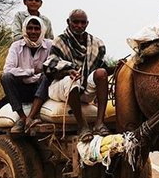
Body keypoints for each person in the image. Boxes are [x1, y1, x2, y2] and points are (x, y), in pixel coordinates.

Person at [0, 16, 53, 137]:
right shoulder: (16, 46)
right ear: (24, 30)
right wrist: (31, 72)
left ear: (42, 30)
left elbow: (51, 69)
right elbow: (8, 69)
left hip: (41, 90)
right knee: (6, 77)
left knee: (46, 77)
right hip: (22, 90)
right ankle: (23, 118)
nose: (33, 32)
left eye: (36, 28)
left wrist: (31, 76)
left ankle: (30, 117)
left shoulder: (49, 45)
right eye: (30, 28)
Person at [44, 9, 110, 141]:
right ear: (68, 22)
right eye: (75, 22)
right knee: (71, 79)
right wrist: (68, 71)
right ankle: (82, 126)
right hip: (62, 87)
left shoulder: (96, 43)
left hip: (84, 88)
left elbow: (102, 68)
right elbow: (50, 70)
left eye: (82, 22)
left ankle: (99, 124)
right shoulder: (60, 42)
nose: (79, 25)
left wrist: (121, 65)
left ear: (87, 24)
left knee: (102, 73)